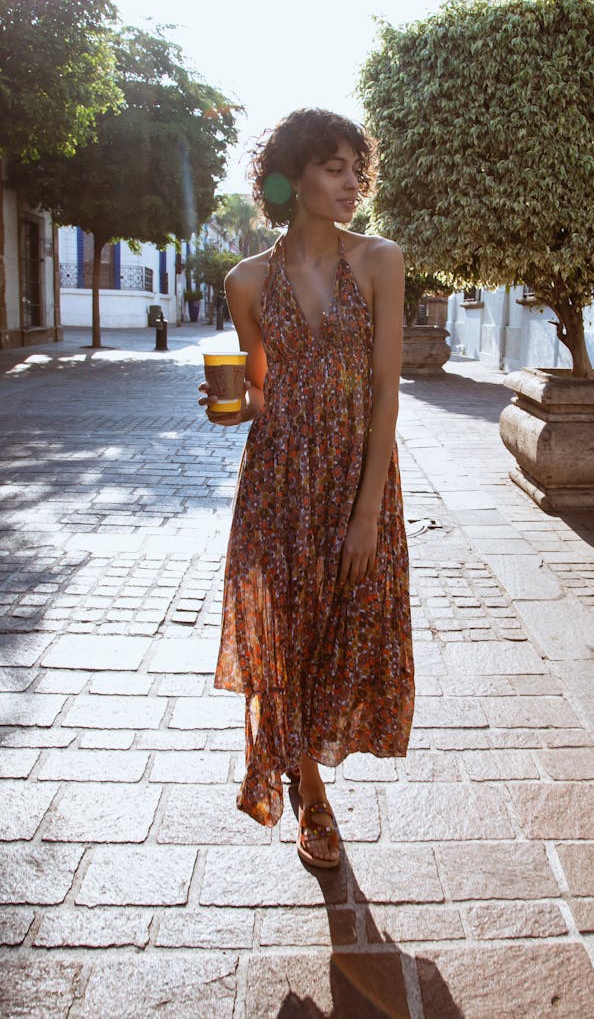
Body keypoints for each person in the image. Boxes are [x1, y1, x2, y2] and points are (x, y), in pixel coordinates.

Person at [199, 108, 415, 869]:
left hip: (357, 479)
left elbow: (386, 389)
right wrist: (235, 410)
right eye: (334, 167)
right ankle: (312, 795)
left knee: (347, 629)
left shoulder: (381, 261)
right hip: (279, 481)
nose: (353, 182)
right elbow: (263, 390)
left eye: (359, 167)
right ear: (291, 179)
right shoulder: (246, 281)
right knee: (287, 637)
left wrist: (366, 514)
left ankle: (309, 763)